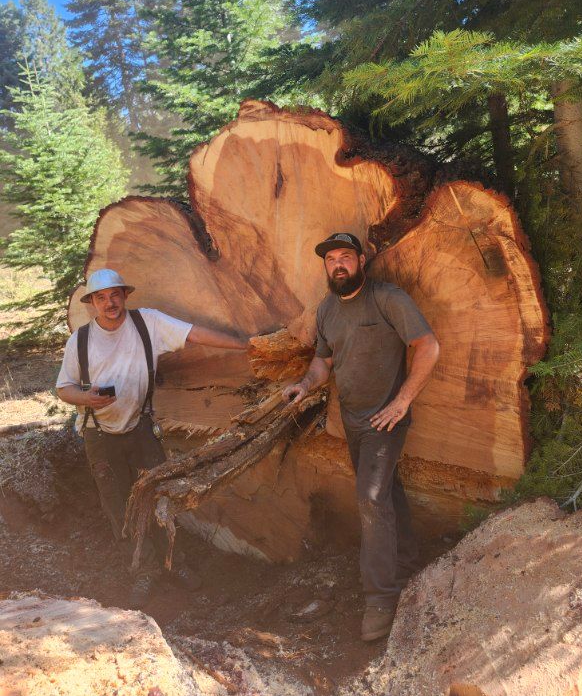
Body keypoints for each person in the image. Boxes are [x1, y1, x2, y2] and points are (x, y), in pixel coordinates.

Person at [56, 268, 247, 607]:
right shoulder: (80, 341)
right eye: (101, 298)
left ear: (125, 296)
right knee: (119, 504)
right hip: (98, 433)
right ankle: (143, 570)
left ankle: (175, 563)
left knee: (159, 496)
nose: (110, 303)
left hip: (141, 428)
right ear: (92, 304)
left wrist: (246, 346)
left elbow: (196, 335)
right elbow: (64, 388)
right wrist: (88, 399)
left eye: (115, 295)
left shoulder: (148, 323)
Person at [283, 233, 439, 642]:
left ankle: (380, 598)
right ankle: (404, 561)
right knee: (385, 490)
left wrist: (403, 401)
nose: (338, 265)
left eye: (345, 257)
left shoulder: (388, 298)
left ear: (361, 261)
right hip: (352, 420)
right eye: (331, 259)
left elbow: (427, 346)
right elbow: (324, 361)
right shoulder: (328, 310)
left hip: (386, 420)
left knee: (370, 498)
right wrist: (305, 384)